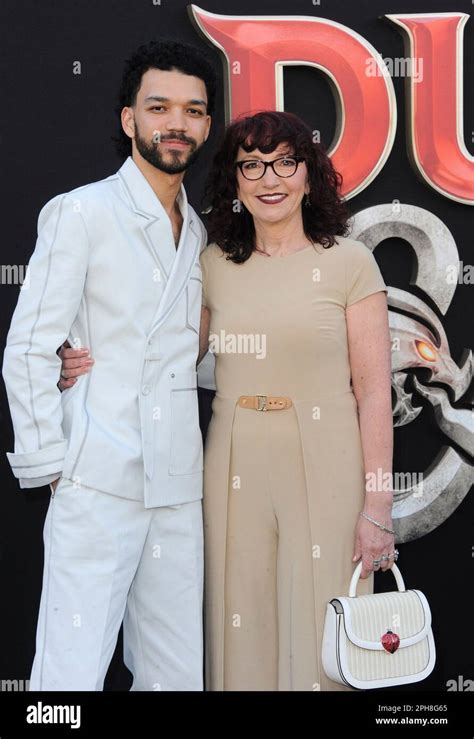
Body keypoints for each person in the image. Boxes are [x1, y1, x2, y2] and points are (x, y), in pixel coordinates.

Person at [59, 111, 396, 691]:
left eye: (285, 162)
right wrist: (81, 363)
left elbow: (373, 394)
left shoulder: (349, 263)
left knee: (323, 631)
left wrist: (378, 508)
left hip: (328, 461)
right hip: (233, 463)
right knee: (239, 625)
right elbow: (164, 355)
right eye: (252, 166)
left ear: (309, 176)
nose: (270, 179)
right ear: (235, 183)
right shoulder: (212, 265)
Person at [2, 39, 216, 691]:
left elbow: (190, 356)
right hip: (96, 478)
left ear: (206, 125)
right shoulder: (83, 212)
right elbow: (29, 346)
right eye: (159, 107)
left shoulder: (201, 233)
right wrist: (50, 466)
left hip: (177, 485)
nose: (176, 123)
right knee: (67, 674)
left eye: (193, 110)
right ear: (129, 120)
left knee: (176, 675)